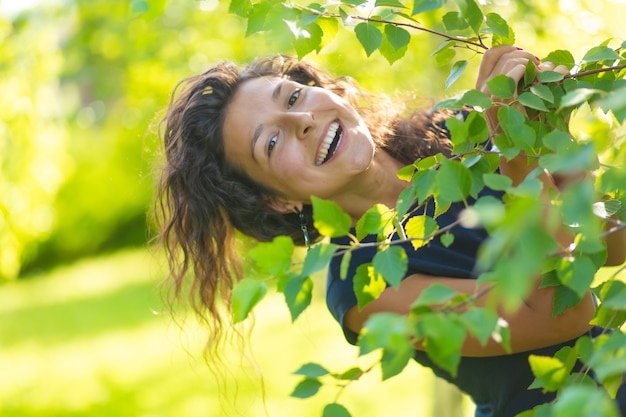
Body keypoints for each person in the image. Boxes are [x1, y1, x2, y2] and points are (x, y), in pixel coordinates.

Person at [154, 46, 626, 416]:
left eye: (294, 97)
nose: (300, 121)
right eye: (272, 142)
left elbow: (612, 245)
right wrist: (518, 158)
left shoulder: (457, 128)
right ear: (278, 200)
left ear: (331, 92)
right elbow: (564, 316)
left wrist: (550, 138)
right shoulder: (363, 286)